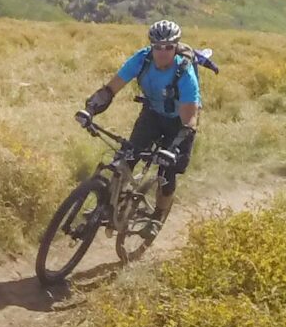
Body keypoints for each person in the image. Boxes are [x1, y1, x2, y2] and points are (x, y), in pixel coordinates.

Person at [81, 19, 202, 219]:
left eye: (169, 47)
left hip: (179, 123)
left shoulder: (185, 73)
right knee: (126, 156)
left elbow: (189, 120)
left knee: (167, 173)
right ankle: (106, 208)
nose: (162, 52)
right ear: (151, 46)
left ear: (176, 47)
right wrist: (90, 109)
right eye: (157, 47)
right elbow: (110, 89)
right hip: (153, 114)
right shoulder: (142, 59)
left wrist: (172, 150)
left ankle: (157, 217)